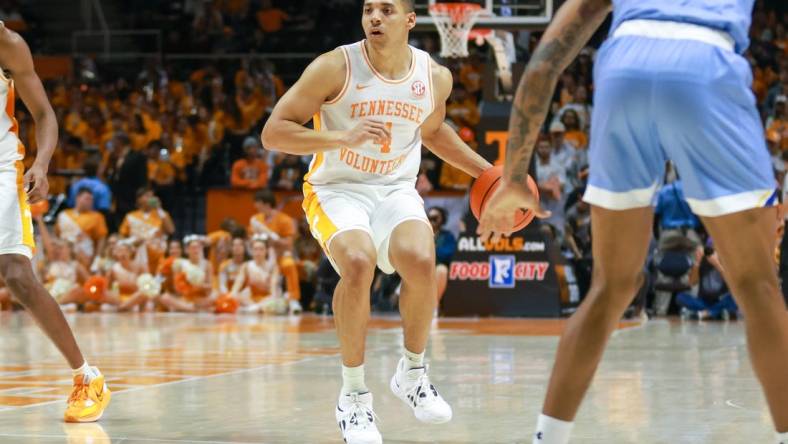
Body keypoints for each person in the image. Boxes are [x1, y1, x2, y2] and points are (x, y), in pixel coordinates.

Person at [479, 1, 788, 443]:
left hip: (623, 65)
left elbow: (544, 64)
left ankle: (546, 437)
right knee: (757, 284)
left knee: (611, 287)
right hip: (705, 60)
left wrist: (512, 178)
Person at [261, 1, 491, 442]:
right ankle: (353, 398)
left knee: (420, 260)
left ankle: (413, 373)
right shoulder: (334, 67)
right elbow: (274, 132)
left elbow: (433, 132)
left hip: (394, 189)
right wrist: (338, 136)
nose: (375, 18)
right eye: (369, 9)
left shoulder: (435, 77)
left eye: (387, 10)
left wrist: (489, 174)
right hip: (336, 189)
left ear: (410, 20)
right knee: (359, 262)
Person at [0, 22, 111, 422]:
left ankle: (87, 377)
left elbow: (44, 114)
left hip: (2, 166)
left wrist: (42, 164)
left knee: (16, 275)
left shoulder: (7, 44)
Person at [248, 189, 302, 314]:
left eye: (257, 202)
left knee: (289, 264)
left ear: (266, 203)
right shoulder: (256, 219)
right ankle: (256, 300)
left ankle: (293, 299)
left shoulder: (284, 220)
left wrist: (271, 237)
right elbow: (251, 240)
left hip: (279, 256)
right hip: (262, 257)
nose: (255, 205)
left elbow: (288, 244)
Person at [56, 187, 108, 268]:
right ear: (77, 198)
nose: (90, 202)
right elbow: (58, 236)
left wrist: (96, 260)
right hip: (63, 256)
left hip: (85, 257)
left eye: (91, 200)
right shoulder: (64, 214)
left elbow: (101, 240)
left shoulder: (97, 217)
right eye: (87, 199)